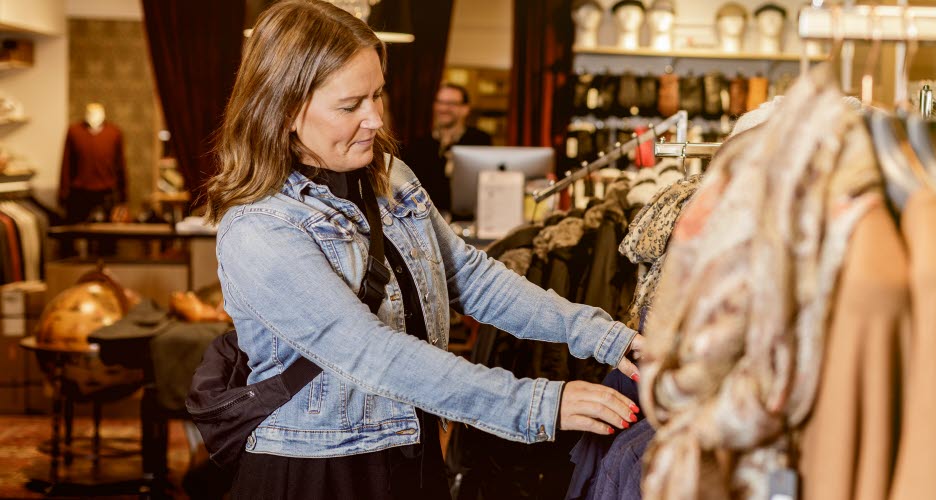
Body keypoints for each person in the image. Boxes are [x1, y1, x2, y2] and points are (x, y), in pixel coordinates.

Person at [203, 2, 643, 498]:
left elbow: (471, 277)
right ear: (284, 110)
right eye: (351, 106)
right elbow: (369, 352)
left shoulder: (391, 176)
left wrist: (601, 334)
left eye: (377, 95)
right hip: (319, 469)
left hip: (413, 447)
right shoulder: (259, 226)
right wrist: (538, 403)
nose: (374, 119)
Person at [404, 83, 491, 214]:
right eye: (440, 102)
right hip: (427, 219)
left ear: (465, 109)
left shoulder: (480, 141)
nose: (443, 108)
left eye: (451, 103)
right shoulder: (418, 146)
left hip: (468, 219)